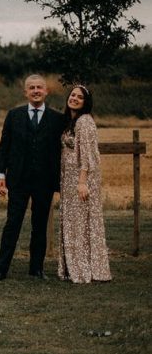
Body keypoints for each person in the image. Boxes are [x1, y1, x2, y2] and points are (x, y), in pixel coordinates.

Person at [0, 74, 65, 281]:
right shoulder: (14, 115)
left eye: (39, 87)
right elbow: (3, 147)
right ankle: (1, 269)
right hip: (18, 180)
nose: (35, 91)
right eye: (31, 88)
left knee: (39, 225)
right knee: (12, 223)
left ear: (46, 91)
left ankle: (36, 269)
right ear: (25, 92)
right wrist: (0, 175)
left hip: (44, 182)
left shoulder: (57, 119)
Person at [57, 86, 111, 283]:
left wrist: (82, 182)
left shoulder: (85, 122)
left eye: (80, 97)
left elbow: (87, 155)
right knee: (73, 221)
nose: (75, 98)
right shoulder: (71, 122)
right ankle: (73, 267)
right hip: (68, 180)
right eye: (72, 95)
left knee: (81, 222)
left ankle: (85, 268)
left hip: (81, 180)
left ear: (86, 102)